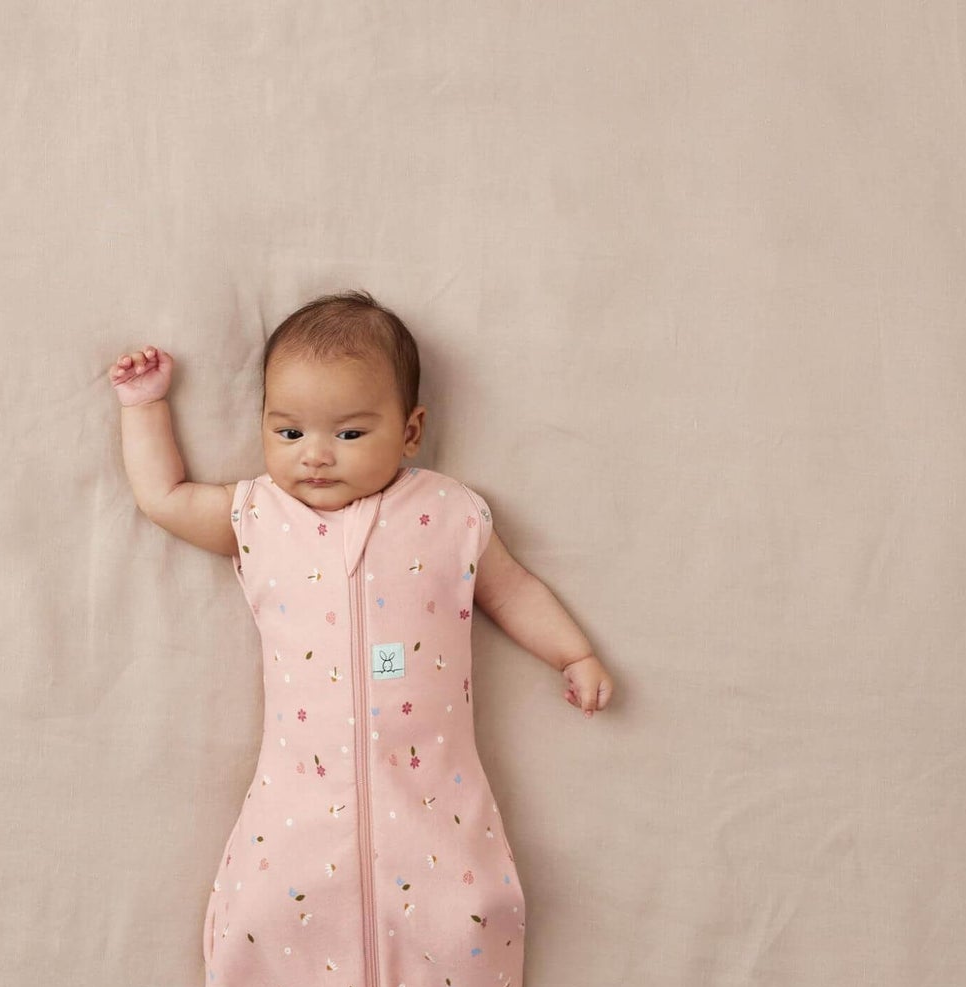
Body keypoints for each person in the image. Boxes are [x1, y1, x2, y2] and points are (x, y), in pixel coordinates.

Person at [107, 288, 614, 718]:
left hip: (434, 779)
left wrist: (573, 655)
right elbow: (164, 498)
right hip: (300, 781)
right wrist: (145, 405)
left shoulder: (446, 511)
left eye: (349, 433)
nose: (315, 456)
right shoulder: (259, 513)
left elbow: (511, 593)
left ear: (410, 431)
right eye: (289, 431)